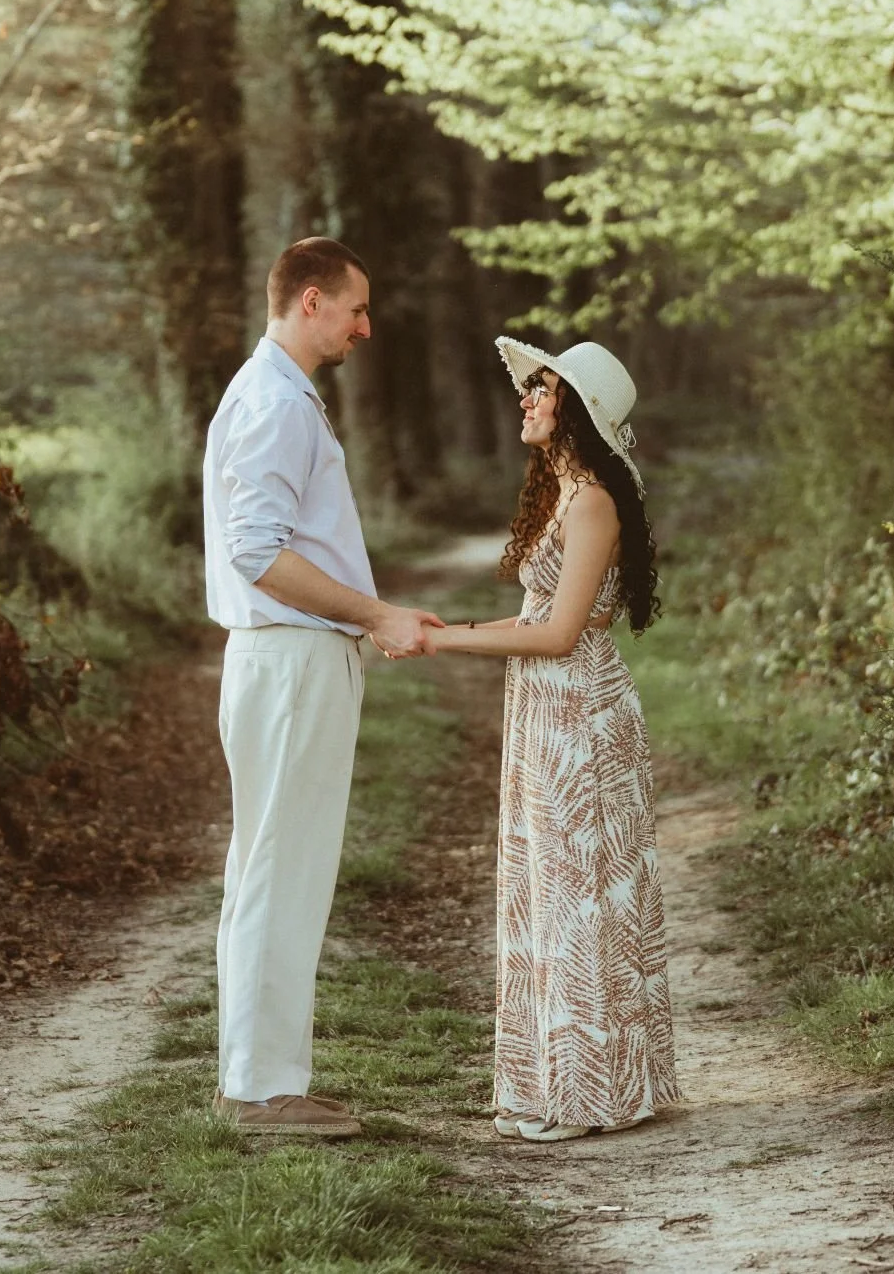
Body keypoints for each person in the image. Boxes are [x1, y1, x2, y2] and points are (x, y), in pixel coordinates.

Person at [201, 236, 444, 1138]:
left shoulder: (274, 393)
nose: (365, 327)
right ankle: (264, 1092)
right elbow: (257, 550)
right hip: (292, 658)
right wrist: (374, 615)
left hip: (282, 659)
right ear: (310, 301)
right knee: (282, 867)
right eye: (354, 308)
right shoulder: (276, 403)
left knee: (267, 863)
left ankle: (252, 1078)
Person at [421, 337, 679, 1142]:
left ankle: (588, 1095)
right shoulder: (563, 493)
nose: (527, 400)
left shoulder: (594, 499)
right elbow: (534, 620)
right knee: (548, 890)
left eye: (542, 390)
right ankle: (553, 1086)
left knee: (581, 898)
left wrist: (448, 639)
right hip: (544, 710)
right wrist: (441, 634)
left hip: (580, 713)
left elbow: (561, 634)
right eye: (530, 388)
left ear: (578, 409)